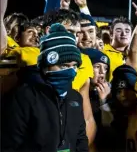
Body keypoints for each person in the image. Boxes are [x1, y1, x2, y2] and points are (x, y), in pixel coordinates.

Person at [1, 23, 88, 152]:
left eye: (74, 66)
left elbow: (81, 140)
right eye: (63, 66)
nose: (71, 72)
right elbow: (10, 145)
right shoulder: (24, 97)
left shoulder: (74, 97)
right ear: (46, 66)